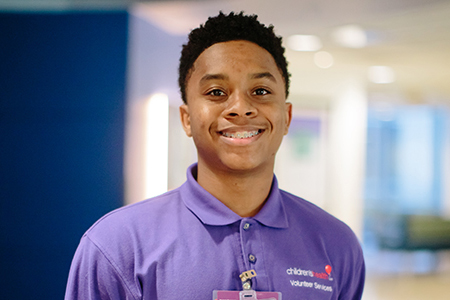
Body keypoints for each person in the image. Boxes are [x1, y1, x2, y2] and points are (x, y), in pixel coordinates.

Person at [65, 12, 365, 299]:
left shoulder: (335, 243)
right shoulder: (118, 245)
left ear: (286, 117)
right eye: (216, 92)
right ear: (186, 119)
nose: (241, 108)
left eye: (260, 91)